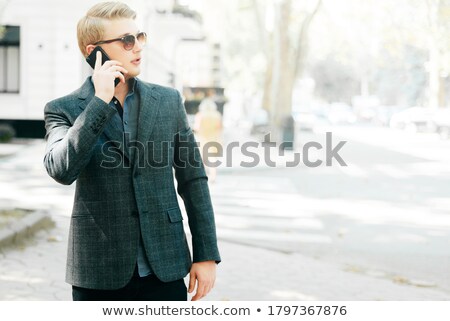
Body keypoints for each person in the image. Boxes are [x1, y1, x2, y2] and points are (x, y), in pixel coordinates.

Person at [43, 1, 220, 301]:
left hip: (165, 266)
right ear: (93, 52)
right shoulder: (63, 110)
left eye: (139, 37)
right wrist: (99, 102)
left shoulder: (168, 101)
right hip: (98, 272)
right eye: (126, 41)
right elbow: (61, 170)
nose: (137, 47)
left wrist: (206, 254)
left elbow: (193, 179)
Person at [194, 91, 223, 183]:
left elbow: (196, 128)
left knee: (201, 159)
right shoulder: (217, 115)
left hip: (202, 139)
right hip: (214, 139)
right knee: (212, 159)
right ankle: (213, 177)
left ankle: (203, 177)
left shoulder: (200, 115)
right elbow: (219, 127)